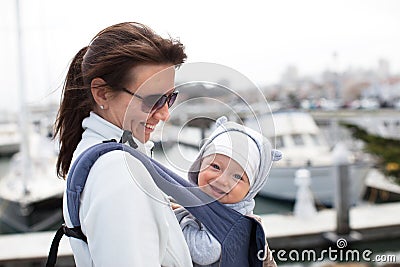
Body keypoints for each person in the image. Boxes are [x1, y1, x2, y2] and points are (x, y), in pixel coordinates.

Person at [54, 22, 193, 266]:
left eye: (170, 98)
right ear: (102, 93)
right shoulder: (119, 172)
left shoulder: (103, 157)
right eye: (153, 100)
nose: (164, 114)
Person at [173, 116, 281, 267]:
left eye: (238, 177)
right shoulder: (203, 205)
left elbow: (205, 252)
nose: (223, 181)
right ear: (199, 164)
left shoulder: (233, 220)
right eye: (216, 167)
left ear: (250, 190)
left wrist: (176, 220)